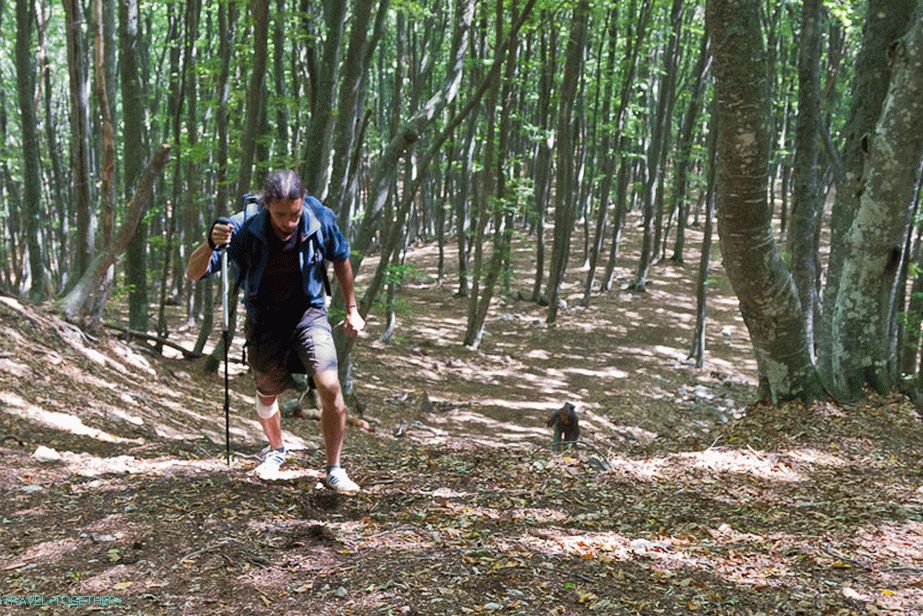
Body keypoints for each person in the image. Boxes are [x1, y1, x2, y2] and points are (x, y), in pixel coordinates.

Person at [186, 169, 365, 492]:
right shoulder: (242, 227)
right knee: (267, 392)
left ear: (303, 202)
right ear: (266, 204)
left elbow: (341, 258)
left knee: (330, 386)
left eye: (294, 214)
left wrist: (352, 308)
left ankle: (334, 468)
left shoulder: (320, 218)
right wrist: (210, 243)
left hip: (309, 314)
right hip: (264, 320)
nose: (289, 222)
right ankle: (276, 449)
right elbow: (194, 272)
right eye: (281, 215)